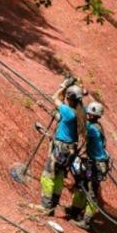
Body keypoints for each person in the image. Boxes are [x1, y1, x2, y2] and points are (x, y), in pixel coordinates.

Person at [38, 79, 86, 215]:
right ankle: (53, 205)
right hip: (70, 151)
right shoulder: (80, 113)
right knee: (59, 176)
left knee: (48, 175)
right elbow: (61, 118)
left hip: (61, 148)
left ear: (69, 98)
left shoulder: (68, 111)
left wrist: (63, 86)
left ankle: (45, 207)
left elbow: (54, 97)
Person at [67, 102, 110, 230]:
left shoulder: (92, 129)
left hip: (96, 165)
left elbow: (78, 125)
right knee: (82, 186)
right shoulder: (96, 125)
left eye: (89, 113)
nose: (87, 115)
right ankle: (75, 211)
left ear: (93, 115)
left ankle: (86, 222)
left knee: (91, 193)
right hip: (93, 163)